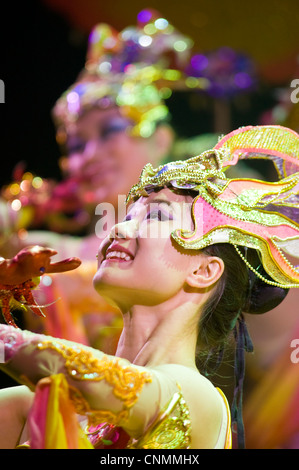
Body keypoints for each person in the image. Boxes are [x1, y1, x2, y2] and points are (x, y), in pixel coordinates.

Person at [0, 124, 298, 450]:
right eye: (127, 215)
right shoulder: (31, 406)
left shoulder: (196, 395)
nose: (120, 228)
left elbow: (105, 383)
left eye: (156, 216)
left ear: (203, 270)